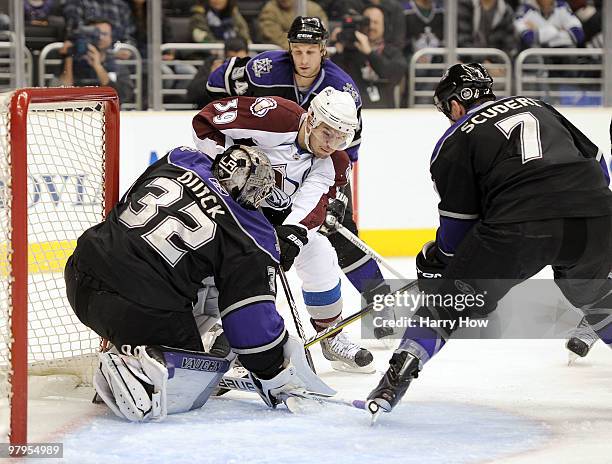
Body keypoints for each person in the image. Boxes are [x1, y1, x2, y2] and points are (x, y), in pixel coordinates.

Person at [366, 63, 612, 416]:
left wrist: (439, 263)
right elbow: (598, 163)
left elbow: (458, 227)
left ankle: (393, 382)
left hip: (521, 227)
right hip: (596, 215)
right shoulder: (538, 105)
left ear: (454, 105)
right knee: (596, 294)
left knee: (442, 304)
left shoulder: (454, 140)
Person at [65, 144, 334, 421]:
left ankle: (132, 344)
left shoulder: (179, 158)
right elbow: (252, 330)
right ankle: (136, 367)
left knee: (201, 280)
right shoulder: (250, 238)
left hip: (80, 274)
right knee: (192, 379)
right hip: (136, 310)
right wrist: (274, 371)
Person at [206, 17, 391, 340]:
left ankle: (382, 303)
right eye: (297, 51)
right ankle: (241, 327)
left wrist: (340, 197)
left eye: (310, 51)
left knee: (341, 233)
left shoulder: (343, 88)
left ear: (323, 50)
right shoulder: (263, 68)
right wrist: (235, 144)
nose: (303, 60)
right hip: (265, 166)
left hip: (316, 166)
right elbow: (214, 84)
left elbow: (349, 151)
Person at [192, 89, 377, 373]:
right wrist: (228, 162)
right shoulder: (276, 116)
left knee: (319, 252)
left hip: (273, 221)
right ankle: (232, 338)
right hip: (228, 209)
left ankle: (331, 334)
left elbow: (311, 205)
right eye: (327, 133)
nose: (332, 144)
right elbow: (205, 121)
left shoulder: (333, 163)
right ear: (312, 119)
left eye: (341, 137)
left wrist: (291, 233)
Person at [332, 4, 408, 108]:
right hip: (355, 112)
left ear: (384, 25)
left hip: (387, 114)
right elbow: (336, 81)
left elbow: (393, 74)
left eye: (376, 22)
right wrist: (339, 52)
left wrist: (369, 53)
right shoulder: (350, 51)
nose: (371, 26)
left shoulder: (392, 52)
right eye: (367, 22)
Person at [59, 18, 134, 105]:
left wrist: (98, 66)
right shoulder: (74, 61)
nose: (100, 37)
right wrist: (69, 55)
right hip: (76, 113)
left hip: (107, 115)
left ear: (111, 38)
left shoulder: (117, 64)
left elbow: (121, 97)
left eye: (104, 34)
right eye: (95, 34)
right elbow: (60, 95)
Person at [257, 0, 328, 49]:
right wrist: (298, 48)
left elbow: (323, 33)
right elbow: (274, 36)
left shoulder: (313, 9)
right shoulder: (269, 10)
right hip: (283, 54)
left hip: (313, 52)